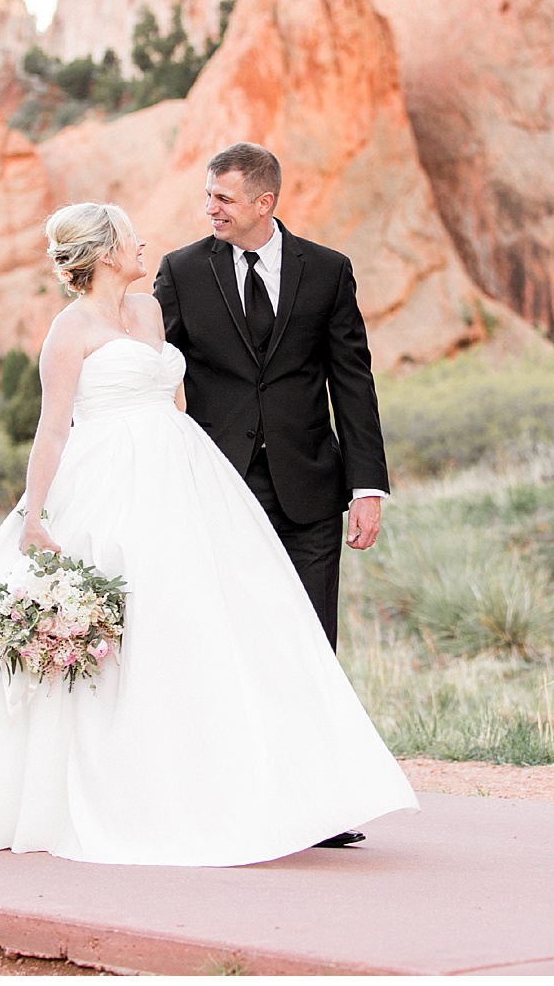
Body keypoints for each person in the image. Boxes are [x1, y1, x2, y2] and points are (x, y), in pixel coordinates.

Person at [0, 200, 416, 867]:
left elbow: (178, 398)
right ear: (107, 252)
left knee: (202, 625)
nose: (145, 247)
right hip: (106, 482)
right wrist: (35, 514)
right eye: (133, 239)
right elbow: (53, 428)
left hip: (184, 476)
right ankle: (102, 790)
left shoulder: (150, 313)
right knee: (119, 629)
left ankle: (232, 783)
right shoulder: (68, 330)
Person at [155, 143, 392, 847]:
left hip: (310, 487)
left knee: (312, 643)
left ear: (266, 202)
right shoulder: (182, 270)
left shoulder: (328, 271)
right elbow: (151, 368)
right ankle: (229, 797)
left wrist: (367, 485)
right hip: (218, 489)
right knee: (225, 641)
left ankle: (320, 805)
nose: (210, 209)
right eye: (207, 196)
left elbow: (353, 380)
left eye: (223, 198)